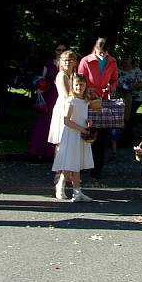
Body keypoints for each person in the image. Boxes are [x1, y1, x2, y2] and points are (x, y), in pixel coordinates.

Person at [78, 37, 118, 178]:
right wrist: (88, 90)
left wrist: (110, 87)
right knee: (85, 133)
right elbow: (79, 80)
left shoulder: (112, 62)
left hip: (103, 103)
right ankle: (80, 166)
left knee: (100, 136)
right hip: (87, 102)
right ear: (95, 48)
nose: (102, 55)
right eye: (100, 52)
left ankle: (97, 169)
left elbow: (114, 80)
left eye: (105, 52)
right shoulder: (85, 61)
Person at [52, 74, 94, 202]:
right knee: (72, 163)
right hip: (72, 134)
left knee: (75, 163)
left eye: (81, 85)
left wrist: (88, 122)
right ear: (72, 86)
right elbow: (67, 121)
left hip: (81, 134)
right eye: (76, 85)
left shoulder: (85, 101)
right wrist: (81, 129)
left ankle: (73, 190)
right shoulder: (71, 101)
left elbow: (82, 116)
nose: (79, 87)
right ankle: (74, 191)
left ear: (85, 86)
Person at [48, 49, 76, 199]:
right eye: (65, 60)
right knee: (61, 143)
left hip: (71, 108)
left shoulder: (73, 75)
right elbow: (67, 95)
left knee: (68, 144)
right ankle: (59, 176)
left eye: (70, 60)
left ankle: (67, 174)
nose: (67, 62)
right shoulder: (61, 76)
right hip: (63, 109)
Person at [117, 53, 142, 148]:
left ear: (131, 59)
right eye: (123, 58)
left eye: (127, 58)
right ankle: (123, 137)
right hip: (122, 97)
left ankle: (127, 138)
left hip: (135, 97)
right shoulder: (118, 70)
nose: (125, 60)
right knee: (123, 118)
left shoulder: (136, 70)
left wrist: (132, 87)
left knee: (129, 117)